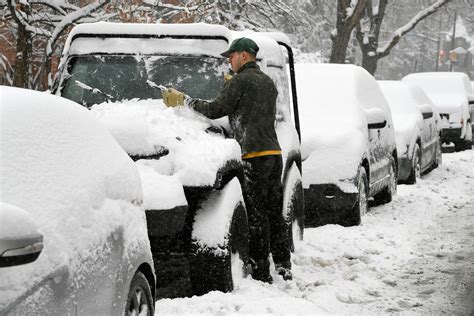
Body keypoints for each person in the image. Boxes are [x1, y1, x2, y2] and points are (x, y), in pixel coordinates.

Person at [161, 37, 292, 283]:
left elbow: (214, 110)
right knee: (275, 212)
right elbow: (252, 110)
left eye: (231, 56)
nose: (229, 61)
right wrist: (233, 89)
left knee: (257, 215)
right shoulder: (267, 82)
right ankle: (284, 265)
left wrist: (183, 100)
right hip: (274, 155)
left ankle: (261, 271)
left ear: (244, 55)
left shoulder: (240, 81)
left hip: (253, 156)